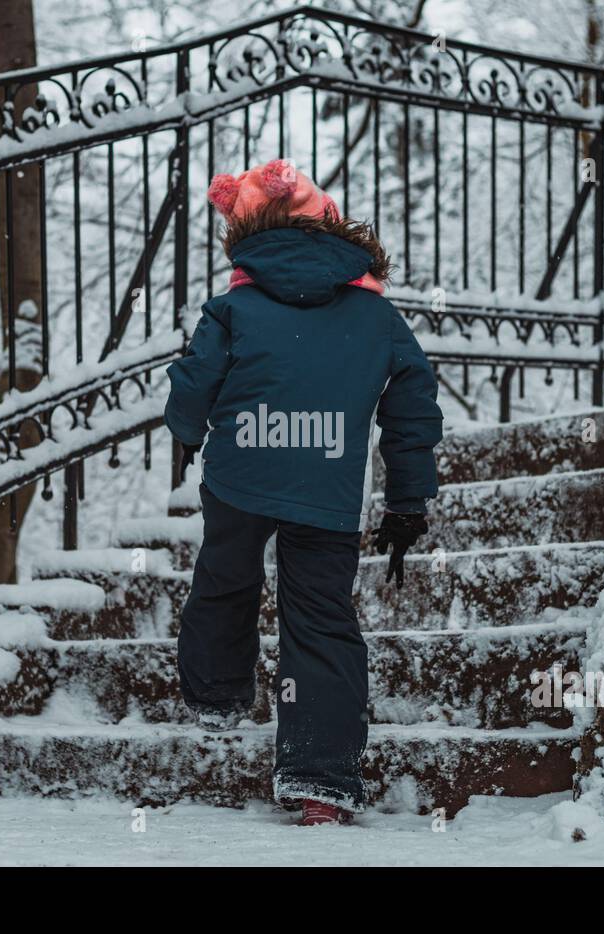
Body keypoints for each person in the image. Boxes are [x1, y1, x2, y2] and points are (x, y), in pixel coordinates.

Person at [163, 159, 443, 825]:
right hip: (327, 479)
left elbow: (196, 379)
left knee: (225, 577)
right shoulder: (378, 318)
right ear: (337, 228)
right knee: (319, 617)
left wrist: (185, 431)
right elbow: (413, 405)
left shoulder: (233, 307)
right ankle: (322, 781)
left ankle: (215, 698)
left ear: (249, 234)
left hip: (241, 471)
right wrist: (408, 500)